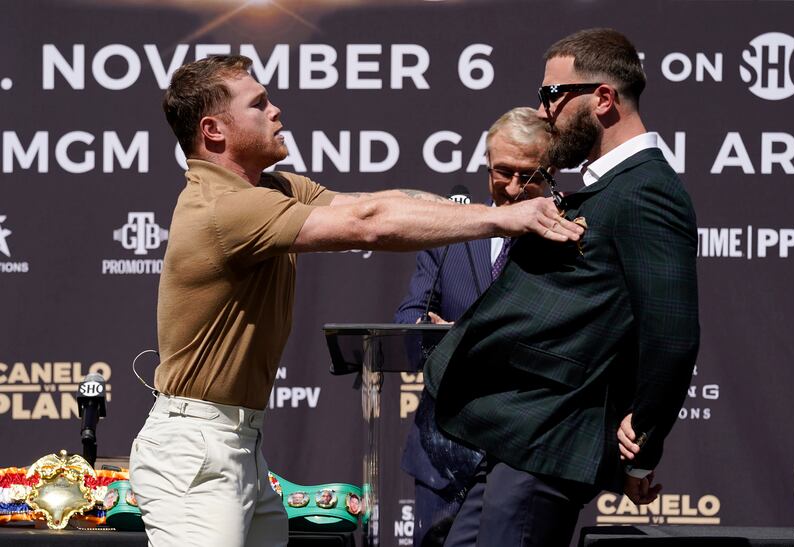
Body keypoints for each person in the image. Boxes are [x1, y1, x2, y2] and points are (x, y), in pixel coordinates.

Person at [127, 54, 584, 547]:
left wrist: (491, 210)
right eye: (258, 104)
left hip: (237, 445)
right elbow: (368, 221)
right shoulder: (226, 209)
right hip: (197, 448)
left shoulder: (274, 187)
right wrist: (502, 219)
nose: (276, 109)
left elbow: (373, 201)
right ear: (214, 131)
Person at [423, 28, 700, 547]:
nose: (543, 109)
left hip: (550, 442)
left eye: (553, 94)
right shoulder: (607, 189)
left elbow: (670, 335)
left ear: (602, 98)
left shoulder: (648, 192)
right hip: (516, 437)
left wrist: (643, 437)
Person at [394, 107, 551, 546]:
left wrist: (464, 331)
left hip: (521, 456)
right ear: (486, 165)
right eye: (503, 172)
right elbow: (407, 324)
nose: (515, 188)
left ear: (552, 172)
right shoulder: (450, 234)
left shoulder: (564, 240)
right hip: (442, 458)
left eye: (530, 175)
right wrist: (426, 327)